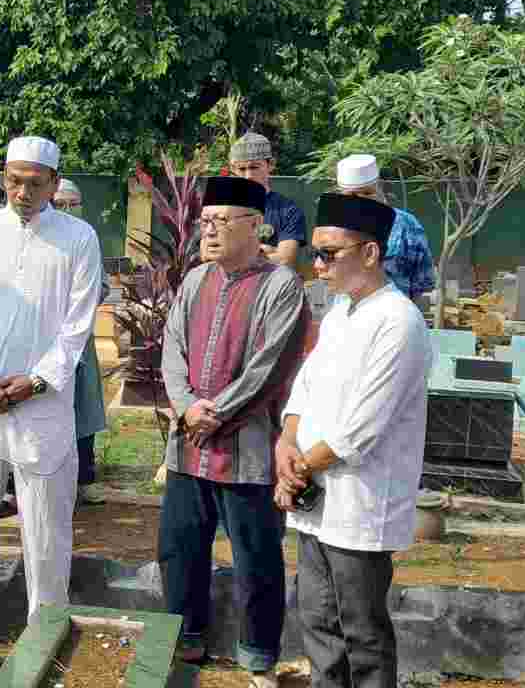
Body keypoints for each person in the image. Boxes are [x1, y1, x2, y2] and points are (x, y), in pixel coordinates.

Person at [0, 137, 103, 633]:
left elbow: (77, 325)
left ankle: (46, 620)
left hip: (41, 400)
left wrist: (36, 380)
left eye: (35, 184)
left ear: (54, 183)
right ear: (3, 177)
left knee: (47, 518)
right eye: (13, 181)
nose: (22, 193)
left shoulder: (79, 238)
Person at [157, 176, 309, 686]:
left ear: (255, 226)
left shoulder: (281, 285)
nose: (210, 231)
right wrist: (185, 409)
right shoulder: (196, 280)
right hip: (187, 447)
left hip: (248, 451)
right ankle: (185, 642)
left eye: (222, 221)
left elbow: (269, 367)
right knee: (179, 551)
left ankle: (259, 656)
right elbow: (171, 350)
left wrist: (212, 412)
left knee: (256, 559)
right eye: (205, 222)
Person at [275, 193, 431, 688]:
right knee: (317, 619)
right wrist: (286, 441)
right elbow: (306, 383)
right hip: (315, 492)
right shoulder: (342, 311)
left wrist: (299, 466)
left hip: (361, 498)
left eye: (329, 254)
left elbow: (362, 426)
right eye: (314, 254)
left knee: (361, 630)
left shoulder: (399, 320)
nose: (317, 265)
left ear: (370, 253)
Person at [52, 179, 111, 506]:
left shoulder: (87, 237)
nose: (68, 210)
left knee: (83, 409)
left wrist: (84, 295)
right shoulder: (43, 236)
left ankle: (84, 480)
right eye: (61, 203)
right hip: (43, 340)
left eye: (73, 203)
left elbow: (100, 285)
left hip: (81, 340)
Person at [335, 155, 435, 306]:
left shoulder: (407, 225)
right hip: (346, 317)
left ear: (379, 187)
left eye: (367, 193)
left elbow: (422, 281)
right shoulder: (334, 228)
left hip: (396, 317)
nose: (361, 200)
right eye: (352, 195)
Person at [227, 132, 305, 267]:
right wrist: (265, 250)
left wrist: (237, 256)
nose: (248, 176)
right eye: (242, 169)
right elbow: (208, 254)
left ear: (271, 165)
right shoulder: (223, 207)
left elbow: (286, 260)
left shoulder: (288, 210)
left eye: (254, 167)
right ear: (233, 169)